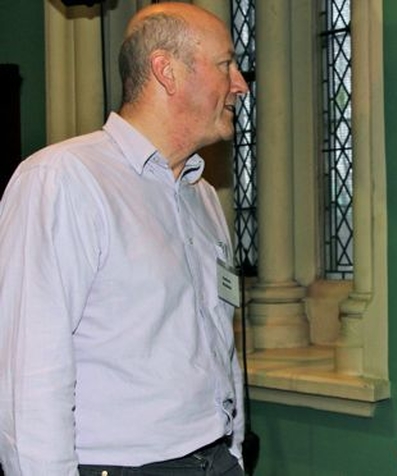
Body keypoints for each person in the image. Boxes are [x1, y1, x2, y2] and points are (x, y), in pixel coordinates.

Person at [0, 3, 249, 475]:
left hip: (214, 460)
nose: (240, 83)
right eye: (225, 65)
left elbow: (219, 343)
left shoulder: (201, 194)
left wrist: (232, 453)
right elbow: (27, 379)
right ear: (166, 70)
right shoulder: (63, 181)